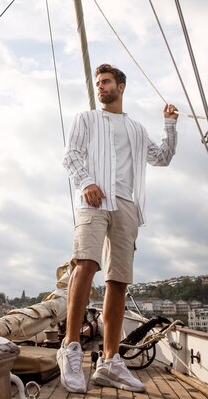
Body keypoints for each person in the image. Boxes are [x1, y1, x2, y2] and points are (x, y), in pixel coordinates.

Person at [57, 63, 178, 393]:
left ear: (121, 87)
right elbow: (71, 156)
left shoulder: (137, 129)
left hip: (126, 205)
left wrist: (169, 124)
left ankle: (110, 362)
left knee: (118, 280)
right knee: (86, 264)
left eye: (106, 81)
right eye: (98, 83)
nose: (101, 87)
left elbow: (162, 157)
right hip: (94, 199)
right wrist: (86, 182)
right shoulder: (87, 119)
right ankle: (70, 348)